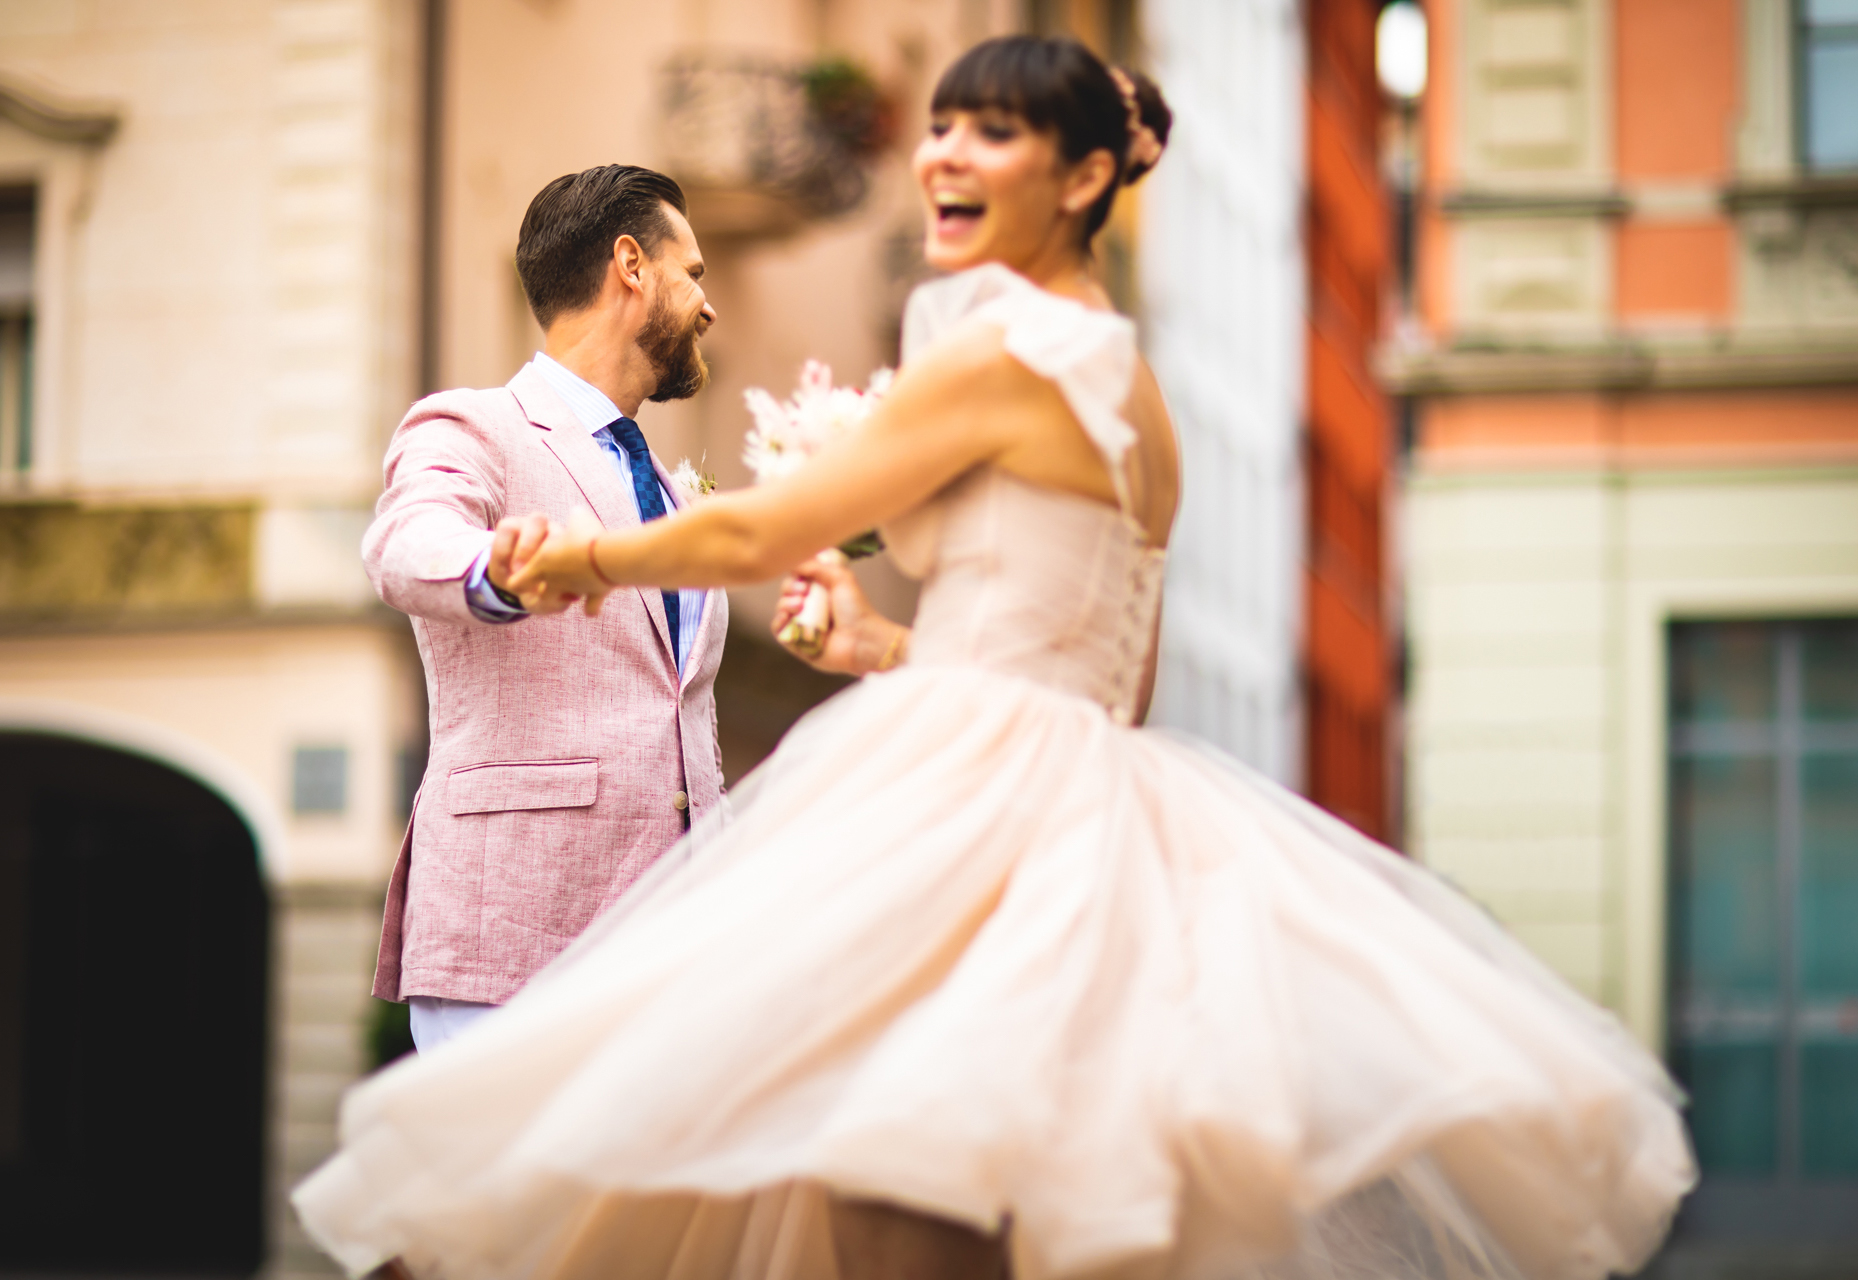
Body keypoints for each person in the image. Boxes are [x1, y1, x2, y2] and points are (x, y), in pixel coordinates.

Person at [297, 37, 1694, 1280]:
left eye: (988, 134)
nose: (938, 154)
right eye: (941, 127)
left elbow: (772, 529)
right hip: (1047, 810)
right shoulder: (1136, 397)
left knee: (857, 1201)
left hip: (927, 825)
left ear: (1084, 177)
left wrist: (582, 560)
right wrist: (885, 639)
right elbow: (1096, 680)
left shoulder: (993, 360)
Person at [360, 164, 727, 1054]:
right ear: (631, 265)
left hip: (679, 953)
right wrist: (494, 571)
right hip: (518, 936)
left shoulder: (674, 499)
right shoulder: (473, 426)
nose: (707, 307)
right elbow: (405, 542)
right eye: (695, 274)